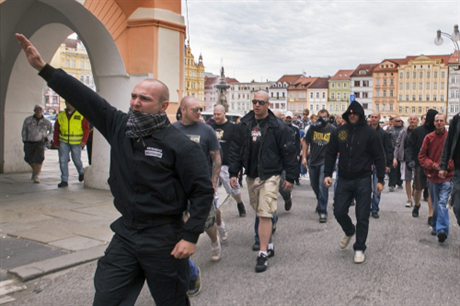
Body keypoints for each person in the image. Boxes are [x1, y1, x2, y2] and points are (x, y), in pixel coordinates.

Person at [16, 33, 213, 305]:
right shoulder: (121, 126)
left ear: (162, 106)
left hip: (163, 237)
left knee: (172, 301)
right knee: (107, 297)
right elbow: (86, 99)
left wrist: (190, 236)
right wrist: (44, 69)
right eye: (133, 96)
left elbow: (202, 192)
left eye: (143, 98)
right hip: (127, 233)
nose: (135, 102)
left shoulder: (180, 145)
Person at [228, 90, 298, 273]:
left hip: (270, 174)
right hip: (251, 175)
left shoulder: (278, 126)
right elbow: (236, 149)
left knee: (265, 212)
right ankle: (269, 243)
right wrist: (234, 172)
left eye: (260, 102)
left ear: (268, 104)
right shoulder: (244, 124)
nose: (257, 105)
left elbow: (289, 152)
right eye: (254, 102)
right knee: (259, 211)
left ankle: (262, 253)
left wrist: (290, 177)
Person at [324, 101, 385, 264]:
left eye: (355, 113)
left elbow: (379, 156)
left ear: (360, 115)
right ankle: (349, 230)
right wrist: (327, 174)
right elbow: (330, 153)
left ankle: (359, 248)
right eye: (350, 113)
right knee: (338, 211)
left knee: (362, 215)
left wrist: (380, 180)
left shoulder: (370, 133)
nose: (352, 116)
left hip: (363, 179)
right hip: (344, 178)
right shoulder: (340, 132)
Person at [173, 96, 223, 262]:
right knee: (179, 220)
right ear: (183, 110)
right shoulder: (172, 130)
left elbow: (216, 157)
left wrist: (213, 182)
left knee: (207, 221)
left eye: (200, 109)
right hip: (178, 185)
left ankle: (215, 242)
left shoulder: (206, 130)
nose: (199, 112)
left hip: (201, 184)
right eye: (195, 109)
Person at [419, 114, 454, 242]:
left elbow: (455, 156)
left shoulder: (450, 137)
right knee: (435, 204)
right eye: (437, 121)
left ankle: (442, 230)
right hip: (432, 176)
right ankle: (435, 225)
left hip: (446, 177)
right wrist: (433, 165)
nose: (439, 122)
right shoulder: (428, 138)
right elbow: (422, 156)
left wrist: (446, 167)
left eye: (441, 120)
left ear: (445, 122)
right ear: (434, 123)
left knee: (442, 203)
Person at [210, 104, 247, 217]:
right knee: (212, 190)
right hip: (212, 164)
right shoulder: (210, 127)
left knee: (233, 189)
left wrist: (238, 167)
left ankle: (239, 203)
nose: (216, 116)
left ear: (224, 113)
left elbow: (238, 147)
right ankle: (215, 212)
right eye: (214, 114)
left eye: (218, 114)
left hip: (227, 163)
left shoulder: (233, 127)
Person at [302, 109, 336, 223]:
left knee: (323, 186)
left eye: (324, 117)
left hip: (325, 162)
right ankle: (320, 199)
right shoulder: (313, 128)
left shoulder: (332, 129)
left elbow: (338, 145)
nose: (322, 119)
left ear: (329, 117)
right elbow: (305, 142)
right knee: (314, 185)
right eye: (320, 117)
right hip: (313, 160)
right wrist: (303, 158)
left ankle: (323, 211)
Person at [406, 109, 437, 224]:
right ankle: (417, 205)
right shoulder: (418, 131)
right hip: (419, 163)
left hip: (433, 165)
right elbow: (409, 147)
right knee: (418, 188)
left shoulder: (437, 132)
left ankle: (431, 215)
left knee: (430, 190)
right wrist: (409, 160)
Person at [53, 101, 90, 187]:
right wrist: (55, 141)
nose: (69, 105)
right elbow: (56, 130)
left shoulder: (80, 115)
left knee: (76, 159)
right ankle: (64, 180)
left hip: (76, 142)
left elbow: (86, 129)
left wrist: (84, 140)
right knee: (62, 160)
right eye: (68, 103)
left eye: (71, 103)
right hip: (63, 141)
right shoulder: (61, 115)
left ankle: (81, 172)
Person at [21, 104, 53, 183]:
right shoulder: (28, 120)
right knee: (28, 158)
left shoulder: (46, 122)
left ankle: (37, 175)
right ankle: (35, 170)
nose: (38, 111)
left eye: (40, 110)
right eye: (37, 110)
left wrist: (47, 138)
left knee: (39, 158)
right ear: (34, 110)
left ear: (43, 111)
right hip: (29, 141)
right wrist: (25, 139)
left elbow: (52, 131)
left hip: (40, 142)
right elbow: (24, 130)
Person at [369, 112, 393, 219]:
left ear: (379, 118)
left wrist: (388, 164)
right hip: (366, 163)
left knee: (377, 187)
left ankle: (374, 208)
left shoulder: (384, 134)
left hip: (379, 163)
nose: (373, 119)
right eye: (372, 117)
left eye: (375, 117)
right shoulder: (365, 131)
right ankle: (367, 206)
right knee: (365, 188)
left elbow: (388, 149)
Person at [439, 111, 460, 227]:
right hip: (459, 169)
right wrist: (443, 166)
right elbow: (448, 144)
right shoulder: (456, 119)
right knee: (457, 204)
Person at [394, 114, 418, 207]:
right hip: (405, 158)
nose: (412, 121)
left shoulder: (420, 131)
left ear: (417, 121)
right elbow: (398, 144)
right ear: (408, 120)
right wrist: (395, 157)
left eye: (414, 119)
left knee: (416, 180)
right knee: (407, 180)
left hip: (417, 159)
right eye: (411, 119)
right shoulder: (404, 131)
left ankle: (415, 195)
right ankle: (409, 199)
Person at [285, 111, 301, 189]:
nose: (288, 119)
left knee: (295, 165)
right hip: (284, 150)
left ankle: (296, 178)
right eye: (287, 118)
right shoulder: (282, 127)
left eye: (289, 118)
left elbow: (298, 141)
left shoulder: (295, 129)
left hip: (293, 150)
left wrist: (298, 153)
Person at [388, 116, 404, 191]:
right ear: (394, 122)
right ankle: (392, 184)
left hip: (401, 150)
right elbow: (388, 139)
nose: (399, 122)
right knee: (393, 167)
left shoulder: (404, 129)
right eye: (397, 121)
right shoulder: (391, 129)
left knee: (400, 167)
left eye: (400, 121)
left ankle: (399, 182)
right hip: (392, 149)